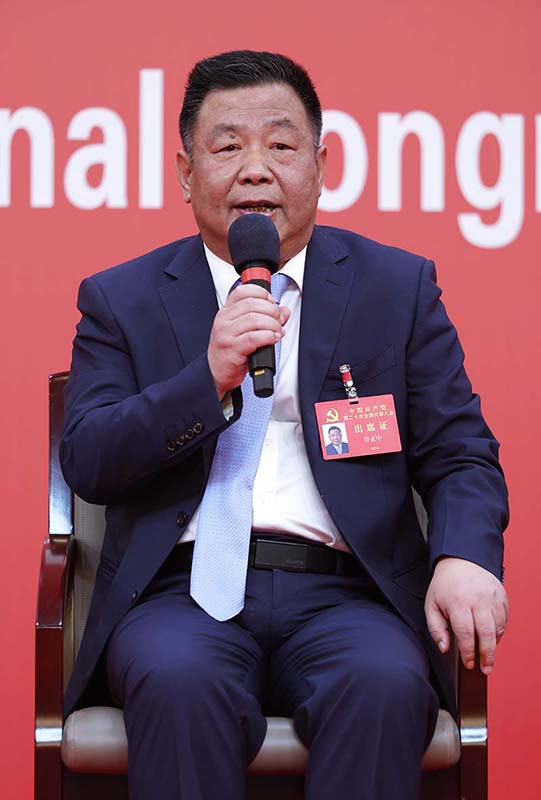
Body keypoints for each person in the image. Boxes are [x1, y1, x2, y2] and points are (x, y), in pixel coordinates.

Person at [60, 51, 509, 800]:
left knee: (382, 684)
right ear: (185, 173)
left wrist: (465, 554)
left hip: (348, 597)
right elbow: (89, 459)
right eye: (227, 146)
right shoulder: (121, 298)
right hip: (180, 597)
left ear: (321, 166)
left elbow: (460, 453)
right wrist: (205, 379)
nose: (255, 169)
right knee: (177, 682)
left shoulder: (395, 288)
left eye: (280, 144)